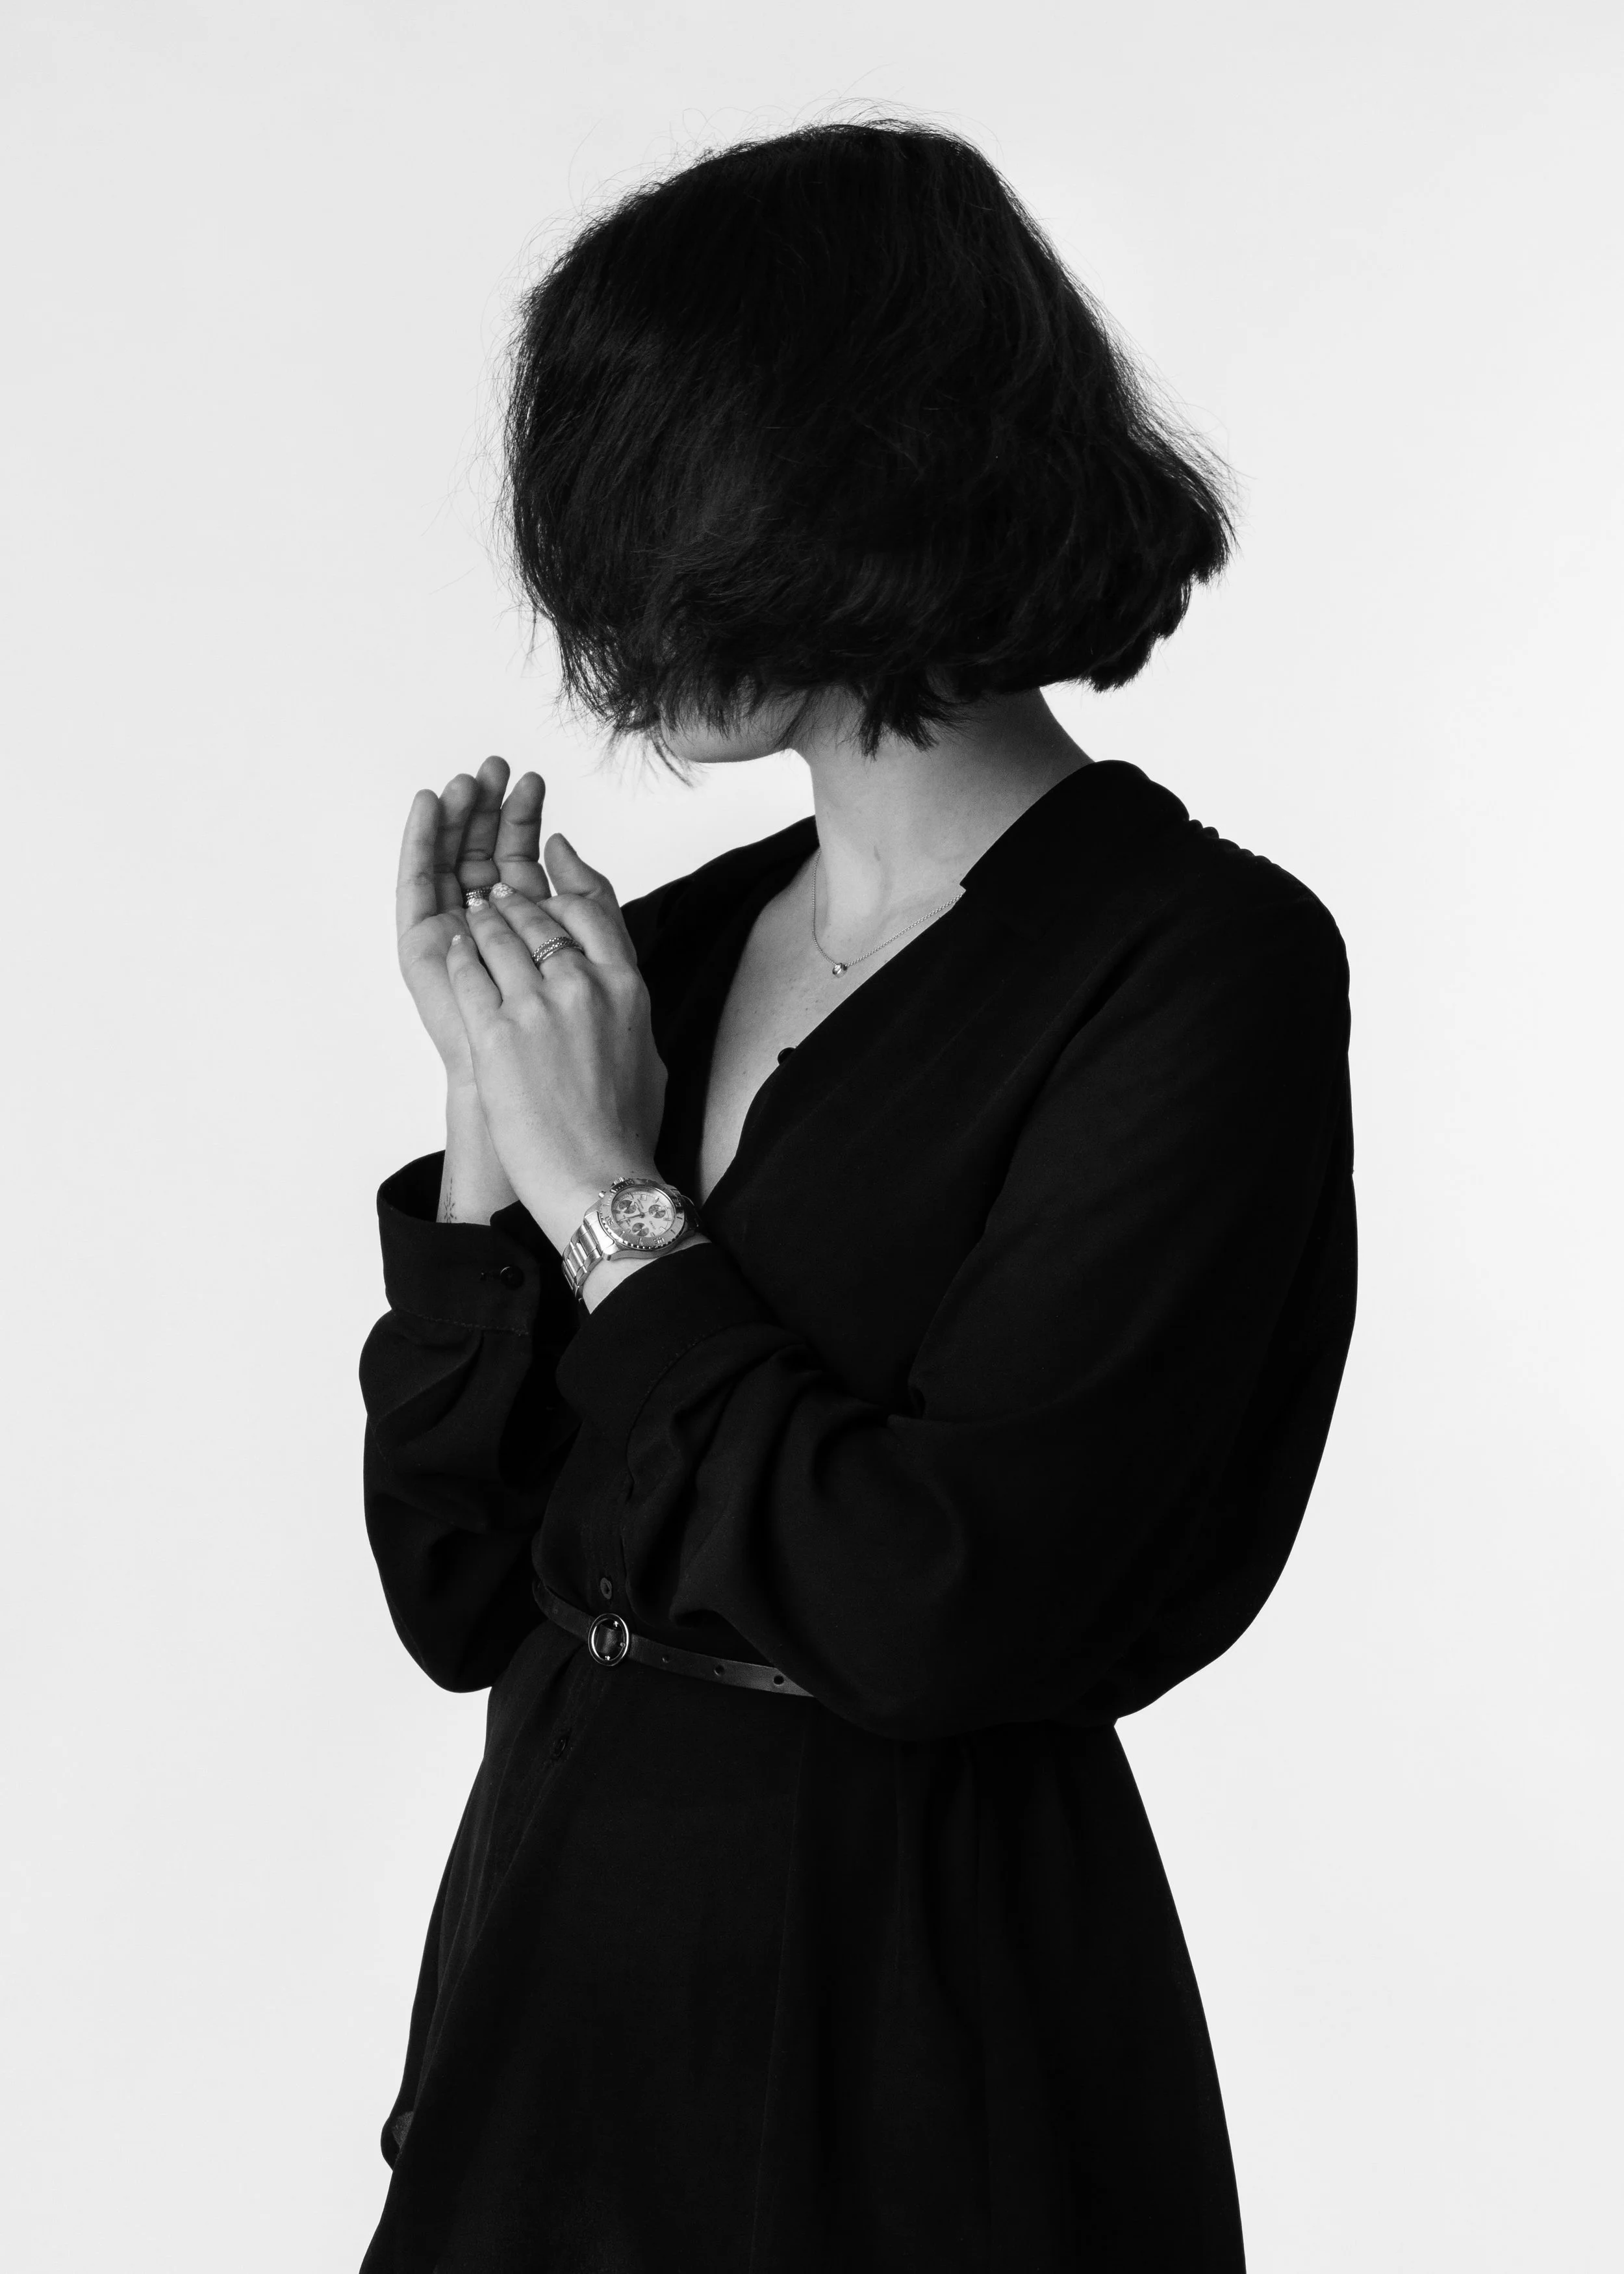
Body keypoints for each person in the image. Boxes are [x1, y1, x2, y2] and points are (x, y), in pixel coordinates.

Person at [357, 118, 1356, 2273]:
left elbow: (944, 1596)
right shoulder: (682, 948)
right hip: (550, 1990)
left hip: (910, 2022)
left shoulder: (1195, 968)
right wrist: (487, 1125)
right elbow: (456, 1588)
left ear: (847, 478)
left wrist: (610, 1194)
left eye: (660, 513)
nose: (615, 615)